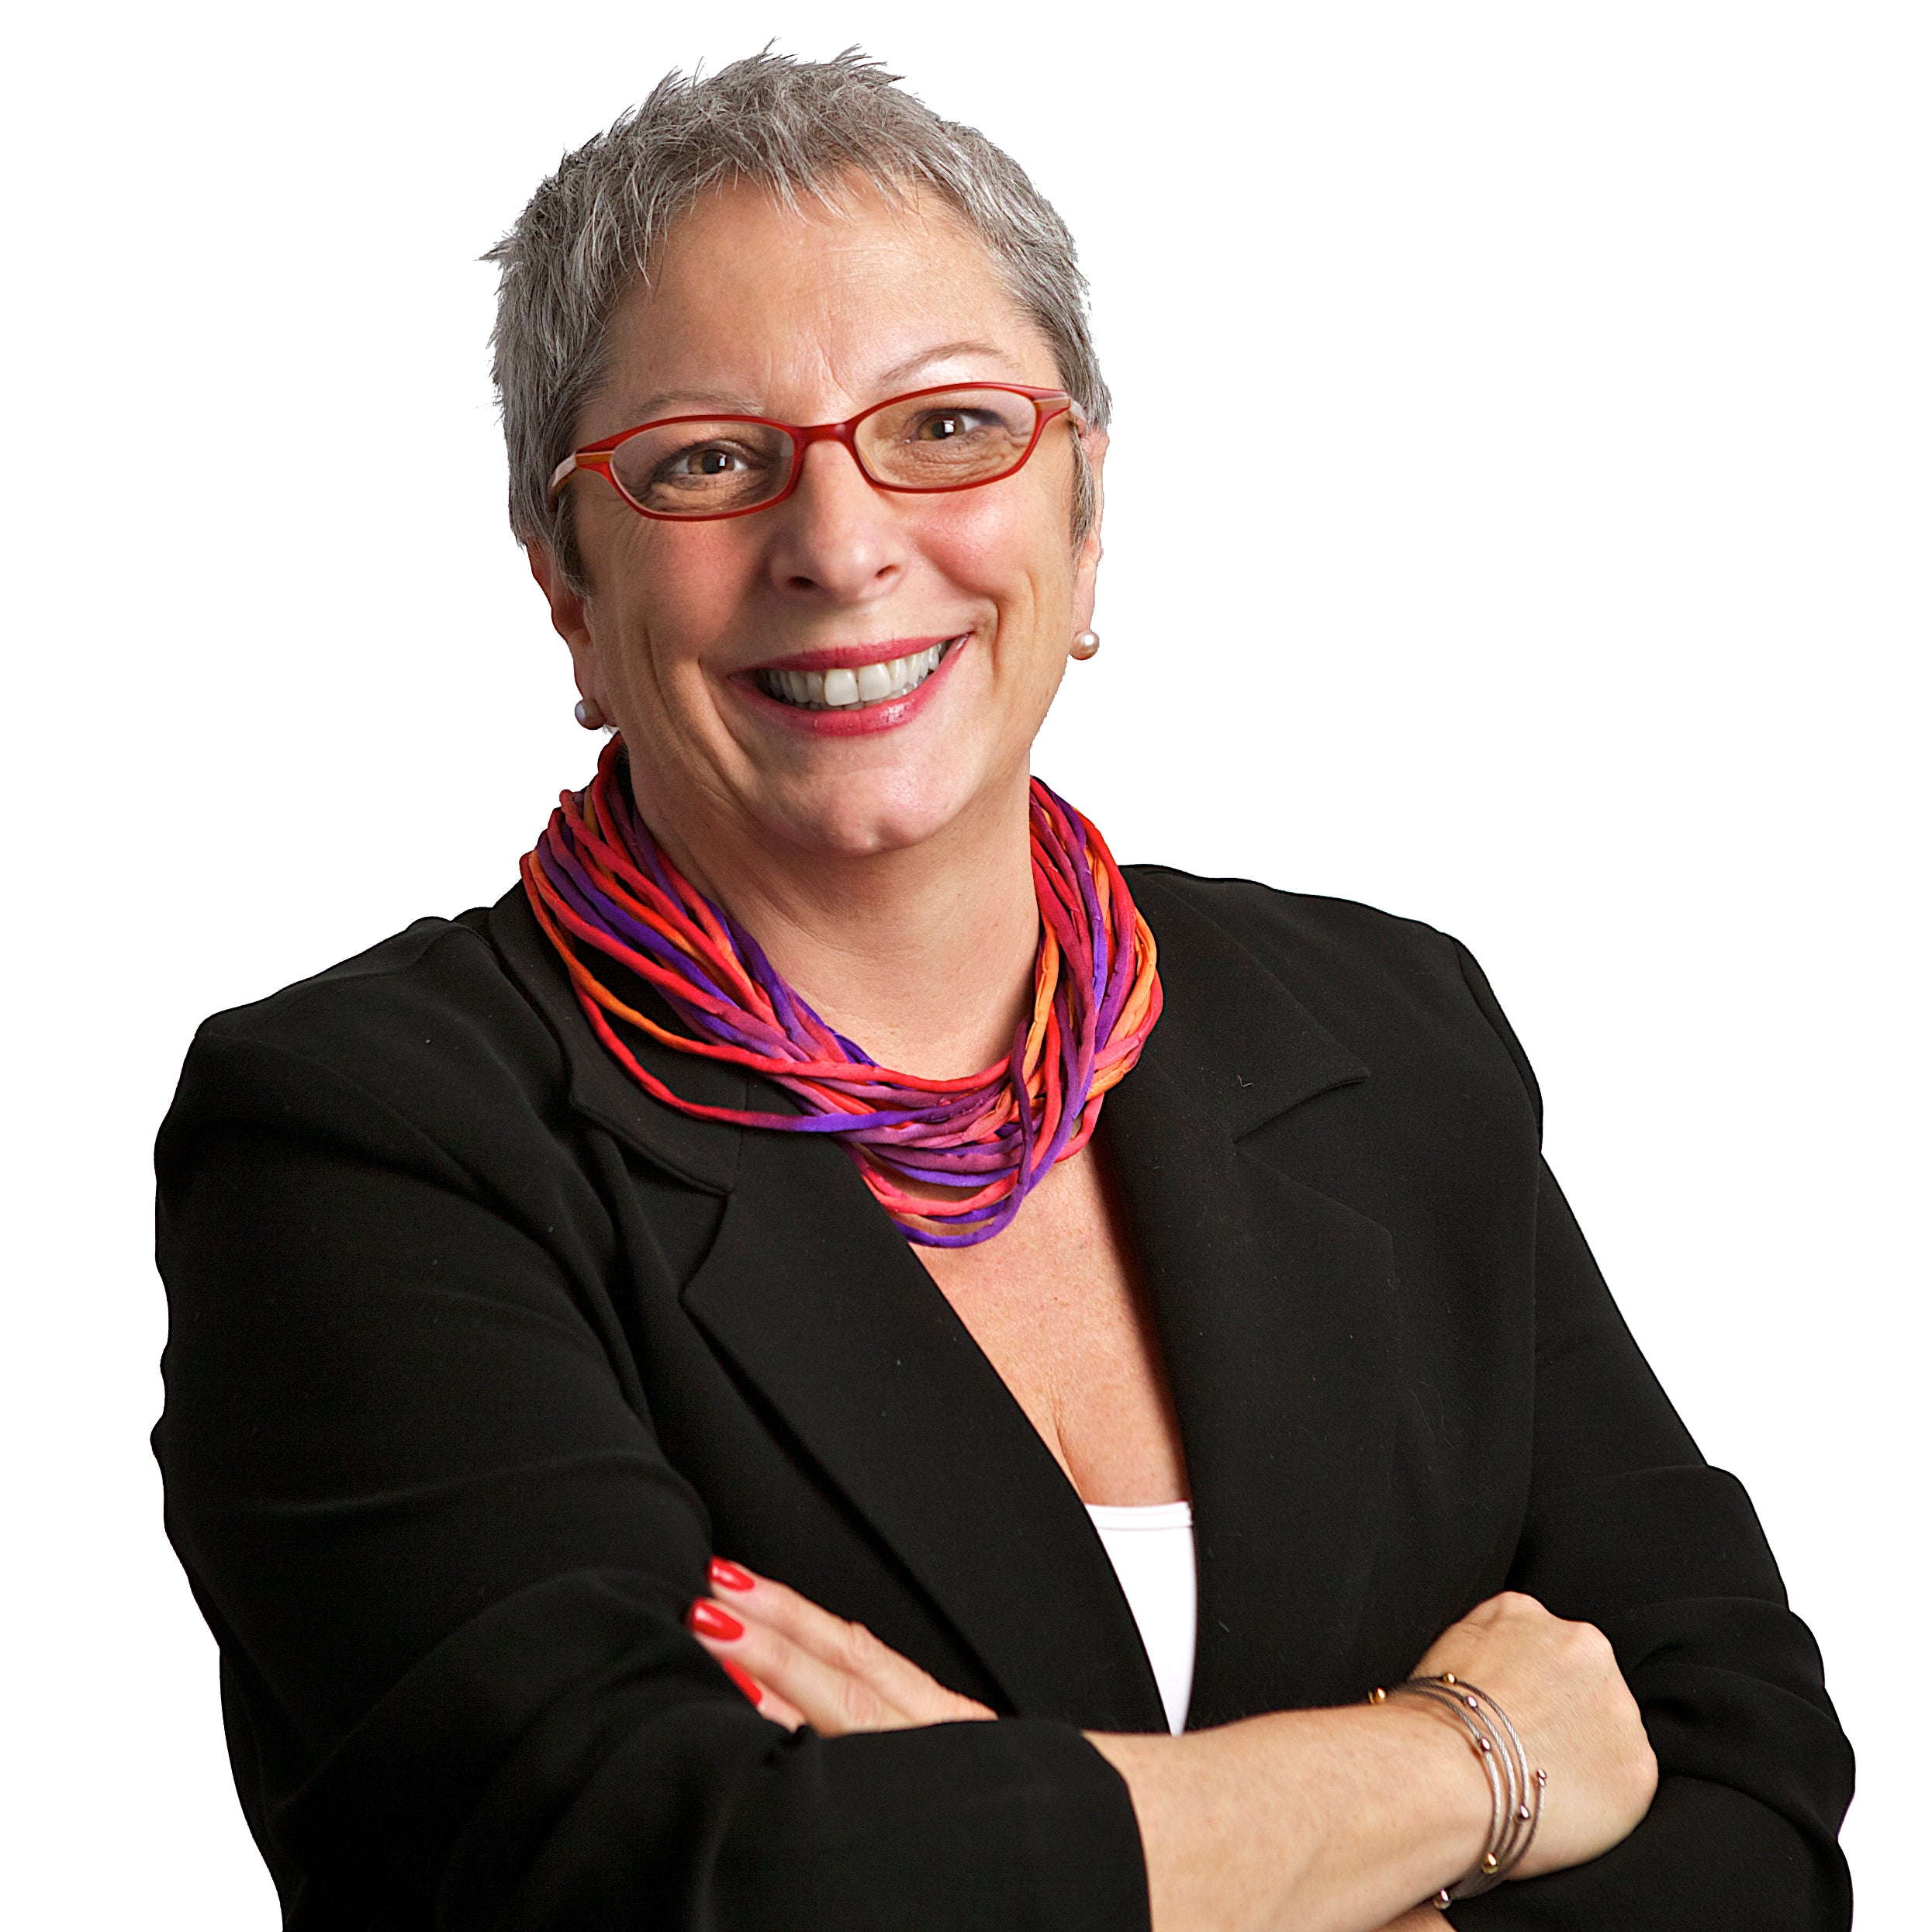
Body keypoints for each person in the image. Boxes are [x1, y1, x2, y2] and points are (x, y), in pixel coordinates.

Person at [153, 50, 1852, 1931]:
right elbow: (671, 1884)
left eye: (950, 426)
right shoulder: (368, 1139)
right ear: (567, 581)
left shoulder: (1390, 1033)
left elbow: (1752, 1798)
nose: (840, 543)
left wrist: (991, 1851)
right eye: (707, 459)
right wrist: (1467, 1764)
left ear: (1084, 515)